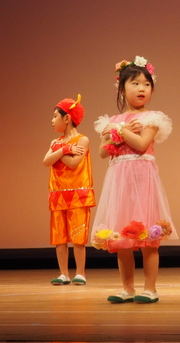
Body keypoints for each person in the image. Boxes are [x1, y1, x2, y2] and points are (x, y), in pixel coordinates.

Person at [91, 57, 178, 304]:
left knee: (148, 238)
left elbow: (141, 144)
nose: (142, 88)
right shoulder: (112, 121)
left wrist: (120, 132)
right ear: (122, 89)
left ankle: (150, 289)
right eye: (135, 83)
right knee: (121, 238)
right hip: (119, 181)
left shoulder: (151, 118)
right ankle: (127, 289)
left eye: (146, 84)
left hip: (142, 178)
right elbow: (102, 152)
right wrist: (117, 132)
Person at [42, 95, 95, 286]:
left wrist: (59, 150)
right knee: (59, 237)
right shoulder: (55, 142)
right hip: (58, 195)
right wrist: (64, 149)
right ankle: (63, 273)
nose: (52, 120)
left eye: (55, 116)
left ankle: (80, 273)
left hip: (78, 194)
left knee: (78, 237)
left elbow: (73, 163)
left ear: (67, 118)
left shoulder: (83, 140)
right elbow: (46, 161)